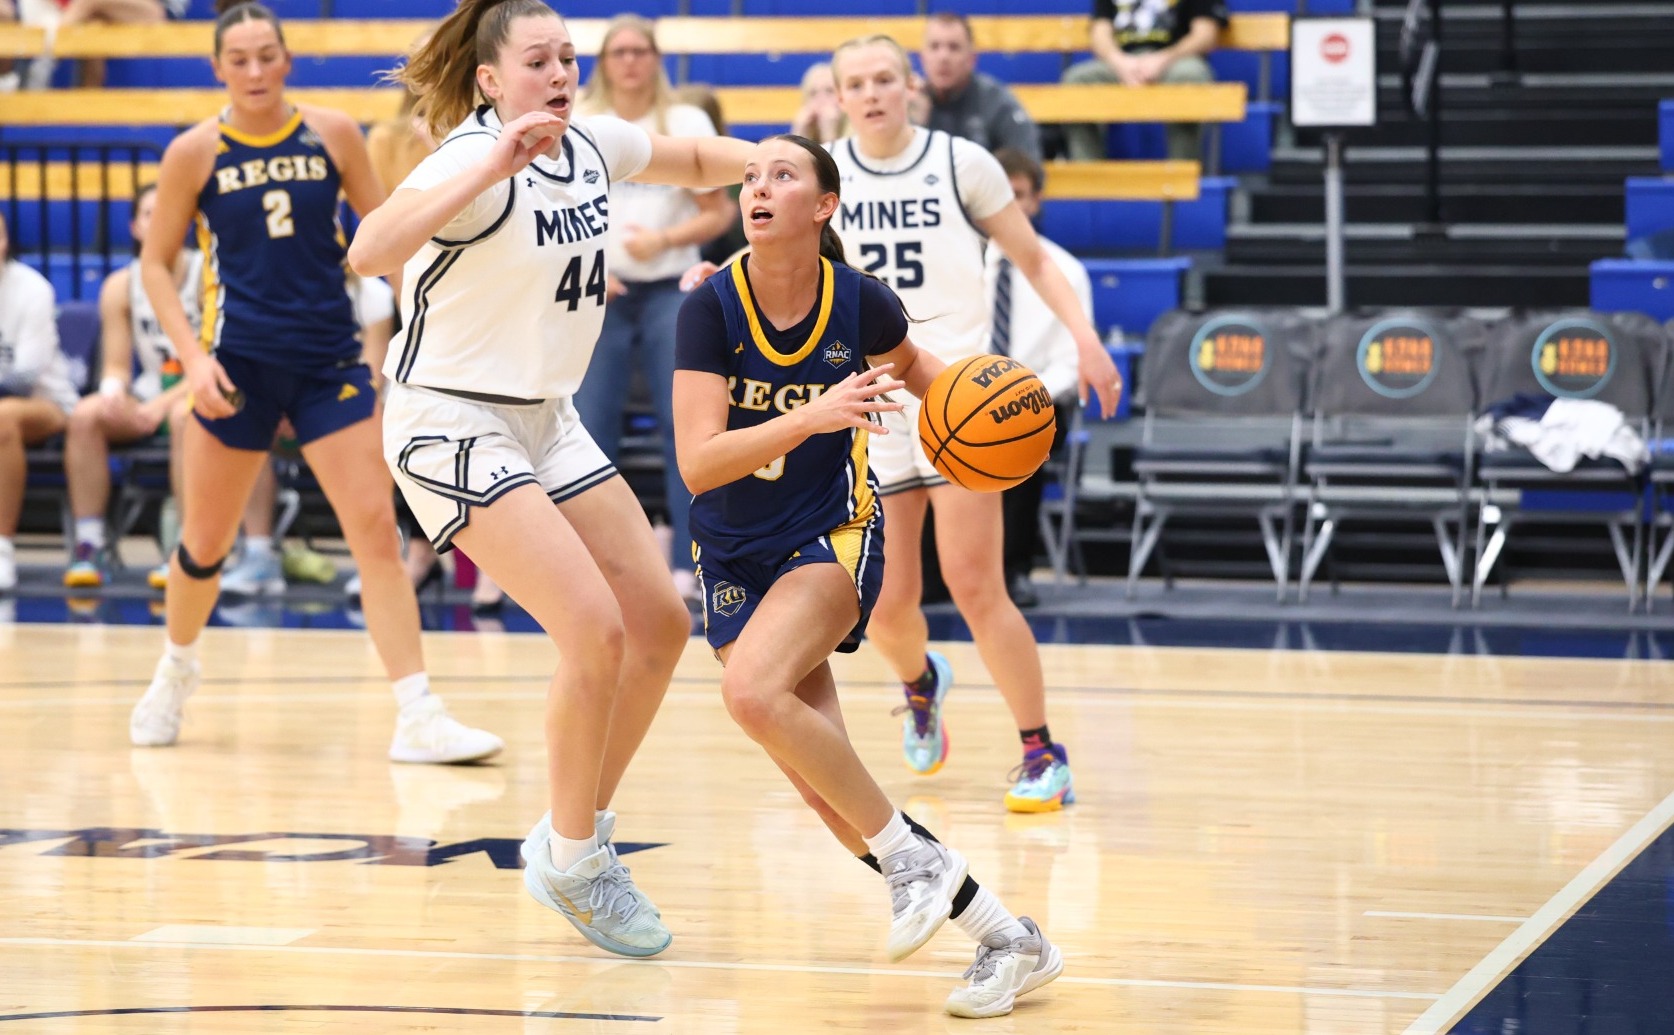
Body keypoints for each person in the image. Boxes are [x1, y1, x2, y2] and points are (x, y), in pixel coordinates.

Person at [347, 0, 755, 957]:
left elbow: (688, 162)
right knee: (594, 627)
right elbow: (368, 250)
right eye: (541, 60)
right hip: (451, 419)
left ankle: (577, 834)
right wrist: (491, 161)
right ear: (492, 80)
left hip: (545, 415)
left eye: (570, 58)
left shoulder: (593, 142)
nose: (563, 73)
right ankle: (573, 858)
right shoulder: (470, 158)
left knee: (659, 620)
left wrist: (783, 162)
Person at [672, 133, 1063, 1018]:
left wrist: (1003, 434)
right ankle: (1010, 938)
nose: (757, 187)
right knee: (831, 793)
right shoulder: (708, 307)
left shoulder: (861, 304)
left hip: (830, 534)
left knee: (749, 693)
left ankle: (919, 864)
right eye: (749, 176)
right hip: (731, 550)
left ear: (822, 207)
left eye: (781, 174)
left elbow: (938, 386)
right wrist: (811, 413)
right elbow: (698, 463)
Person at [126, 0, 503, 766]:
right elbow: (155, 265)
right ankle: (176, 665)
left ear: (287, 58)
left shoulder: (333, 134)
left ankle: (418, 711)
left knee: (375, 534)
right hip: (235, 366)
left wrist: (420, 331)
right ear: (218, 69)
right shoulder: (194, 153)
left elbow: (387, 236)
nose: (257, 70)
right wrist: (192, 363)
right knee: (204, 543)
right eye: (241, 59)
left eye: (269, 54)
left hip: (330, 361)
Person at [827, 34, 1120, 812]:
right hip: (875, 407)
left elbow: (1035, 258)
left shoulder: (962, 162)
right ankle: (920, 682)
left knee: (977, 585)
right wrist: (716, 277)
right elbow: (780, 262)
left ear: (910, 84)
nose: (873, 93)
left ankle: (1040, 750)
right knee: (885, 608)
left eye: (885, 77)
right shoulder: (826, 173)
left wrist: (1087, 340)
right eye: (856, 82)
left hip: (960, 400)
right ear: (839, 94)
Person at [570, 13, 734, 606]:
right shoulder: (582, 116)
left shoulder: (685, 121)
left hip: (670, 287)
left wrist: (663, 242)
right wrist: (591, 264)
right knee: (589, 427)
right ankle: (596, 569)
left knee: (685, 429)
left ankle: (693, 562)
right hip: (599, 292)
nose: (631, 61)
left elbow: (720, 214)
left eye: (641, 50)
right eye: (620, 51)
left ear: (656, 59)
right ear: (605, 60)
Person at [61, 182, 199, 590]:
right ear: (135, 227)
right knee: (86, 416)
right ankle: (90, 543)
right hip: (152, 389)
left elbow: (215, 360)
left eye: (167, 212)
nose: (158, 222)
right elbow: (117, 365)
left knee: (182, 417)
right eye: (148, 215)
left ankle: (185, 547)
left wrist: (161, 404)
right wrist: (112, 393)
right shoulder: (121, 286)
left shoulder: (206, 275)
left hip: (201, 389)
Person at [988, 148, 1088, 609]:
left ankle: (1014, 569)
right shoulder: (960, 263)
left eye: (1020, 195)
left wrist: (1015, 399)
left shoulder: (1065, 271)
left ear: (1036, 201)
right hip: (960, 395)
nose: (1010, 205)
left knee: (1022, 433)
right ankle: (931, 569)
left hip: (1039, 401)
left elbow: (1072, 364)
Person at [0, 210, 79, 592]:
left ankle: (1, 551)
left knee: (2, 418)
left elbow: (24, 377)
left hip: (46, 404)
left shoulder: (32, 288)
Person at [1061, 0, 1226, 162]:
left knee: (1189, 77)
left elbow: (1206, 34)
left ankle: (1184, 177)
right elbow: (1099, 32)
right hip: (1122, 61)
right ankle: (1088, 179)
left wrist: (1163, 59)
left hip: (1177, 59)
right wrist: (1120, 62)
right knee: (1078, 80)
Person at [920, 12, 1040, 161]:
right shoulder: (907, 104)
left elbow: (1027, 171)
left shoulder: (997, 103)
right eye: (934, 47)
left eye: (954, 47)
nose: (943, 57)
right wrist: (915, 125)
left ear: (972, 59)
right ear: (923, 58)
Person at [789, 61, 843, 145]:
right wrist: (800, 135)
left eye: (829, 91)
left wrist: (829, 135)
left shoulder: (858, 135)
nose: (821, 99)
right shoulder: (805, 128)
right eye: (813, 93)